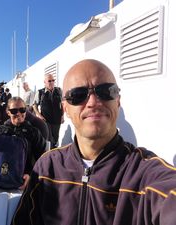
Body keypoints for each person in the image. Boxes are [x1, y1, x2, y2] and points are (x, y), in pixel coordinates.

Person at [11, 59, 176, 225]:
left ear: (117, 101)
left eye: (105, 91)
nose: (93, 102)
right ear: (65, 108)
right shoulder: (46, 169)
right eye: (77, 95)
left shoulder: (143, 175)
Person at [0, 97, 46, 190]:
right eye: (14, 111)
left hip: (22, 182)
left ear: (26, 111)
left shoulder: (33, 132)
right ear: (8, 112)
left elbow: (43, 158)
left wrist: (31, 176)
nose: (18, 113)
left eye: (22, 110)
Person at [33, 74, 64, 148]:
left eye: (53, 80)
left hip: (57, 119)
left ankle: (54, 150)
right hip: (46, 120)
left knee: (56, 138)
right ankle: (49, 153)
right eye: (49, 81)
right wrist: (39, 115)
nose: (52, 82)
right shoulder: (40, 92)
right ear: (45, 82)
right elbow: (34, 105)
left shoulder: (59, 91)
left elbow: (63, 104)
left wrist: (62, 115)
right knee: (49, 138)